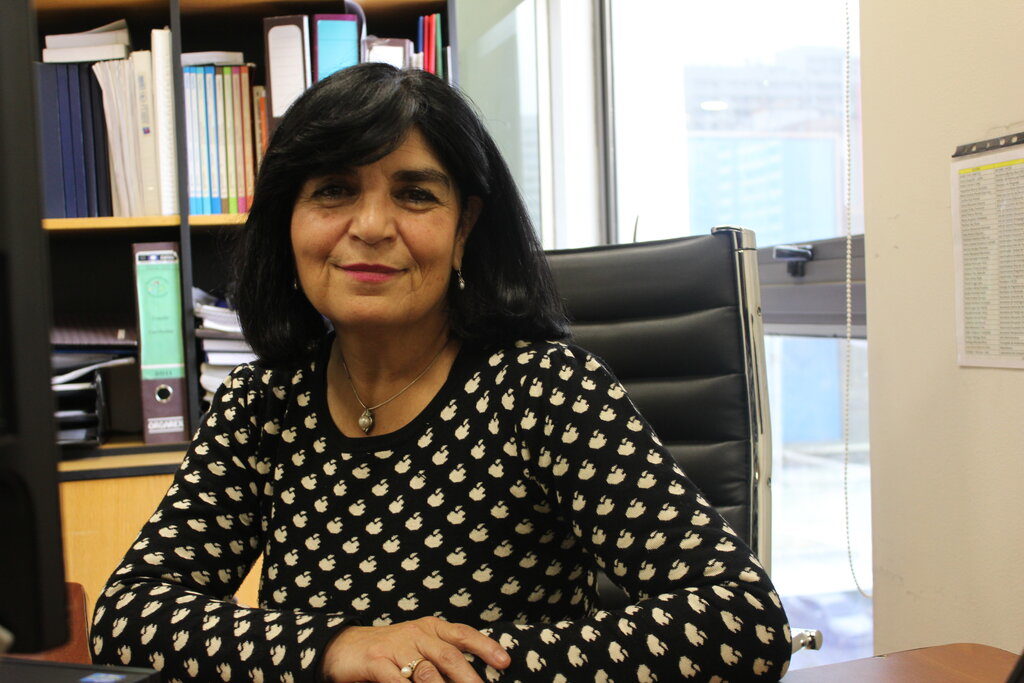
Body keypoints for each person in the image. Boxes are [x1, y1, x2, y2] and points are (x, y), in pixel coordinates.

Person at [90, 63, 792, 682]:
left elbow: (742, 619)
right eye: (333, 190)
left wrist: (453, 668)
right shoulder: (261, 404)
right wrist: (337, 648)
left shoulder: (543, 390)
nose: (371, 225)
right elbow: (127, 616)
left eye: (415, 195)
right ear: (288, 223)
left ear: (464, 229)